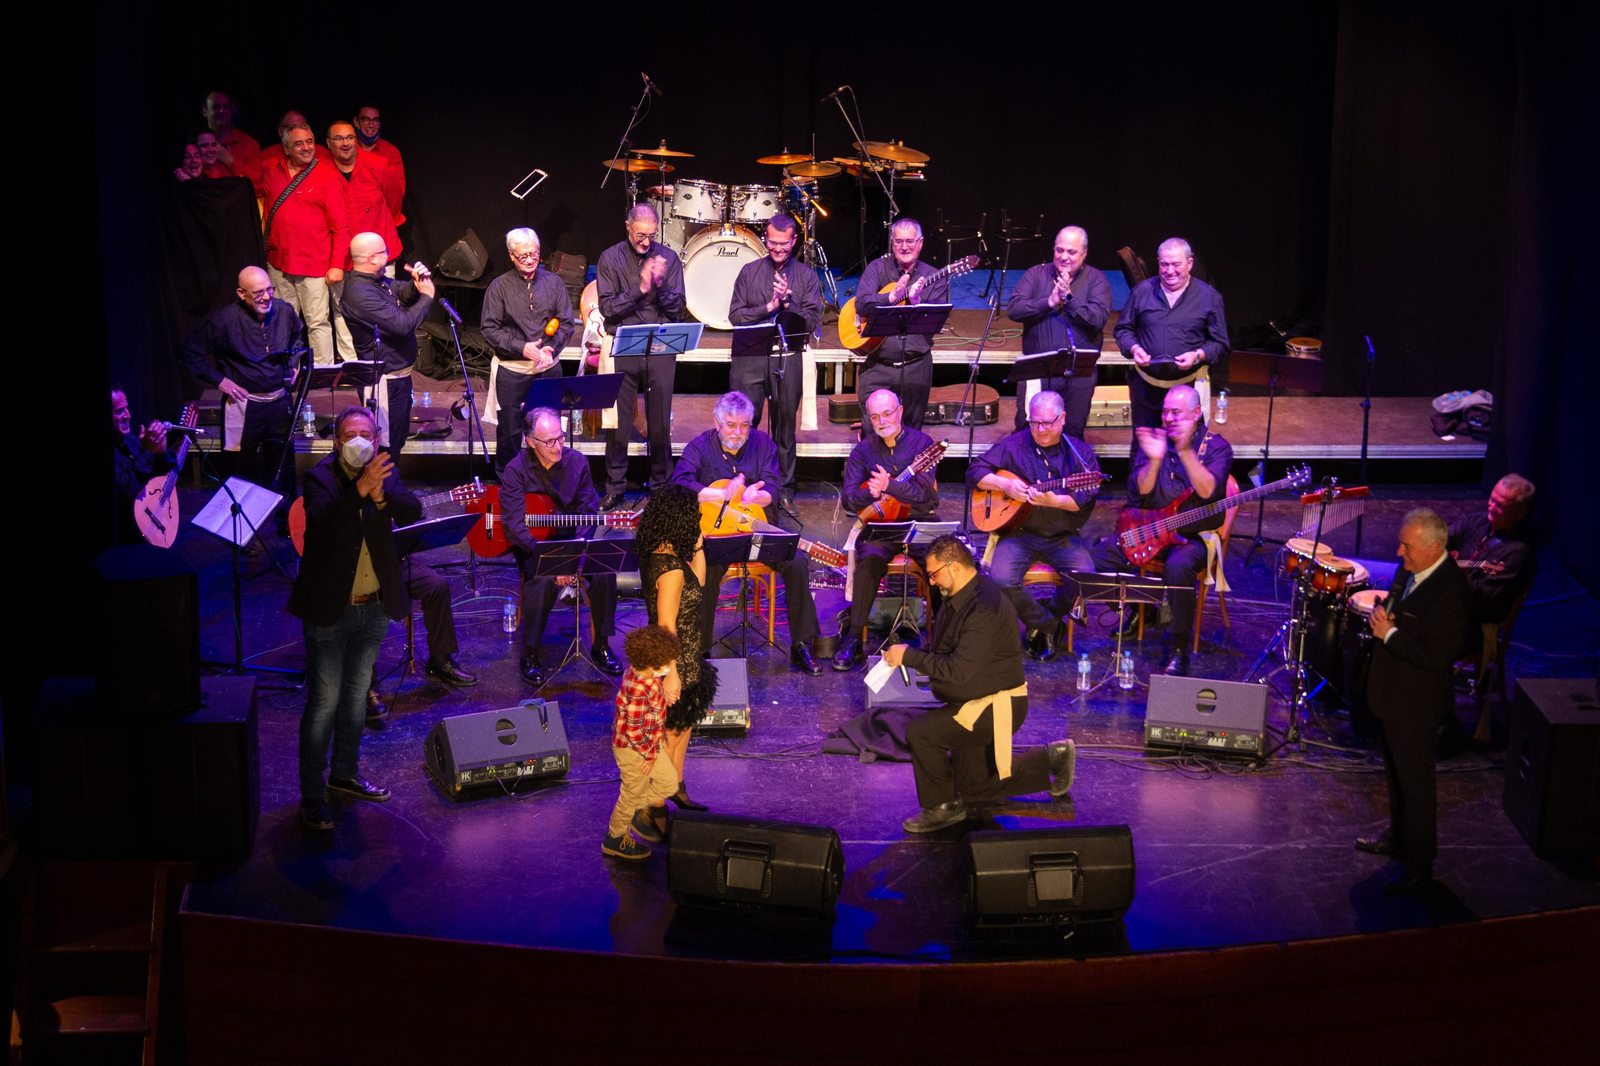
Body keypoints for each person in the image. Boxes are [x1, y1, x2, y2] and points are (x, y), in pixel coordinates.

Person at [884, 535, 1076, 833]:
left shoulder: (985, 607)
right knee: (974, 789)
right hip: (972, 698)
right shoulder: (959, 595)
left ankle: (942, 807)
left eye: (934, 574)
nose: (932, 582)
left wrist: (909, 656)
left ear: (955, 566)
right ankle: (1053, 758)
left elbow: (959, 670)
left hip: (994, 705)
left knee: (921, 732)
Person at [288, 406, 420, 830]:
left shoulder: (385, 472)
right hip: (331, 609)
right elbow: (324, 527)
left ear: (377, 438)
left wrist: (380, 493)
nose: (359, 441)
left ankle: (344, 775)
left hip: (374, 605)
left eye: (366, 433)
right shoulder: (320, 478)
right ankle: (311, 794)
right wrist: (360, 489)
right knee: (324, 703)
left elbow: (412, 510)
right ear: (337, 440)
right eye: (350, 434)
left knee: (355, 698)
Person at [1356, 509, 1472, 894]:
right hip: (1393, 695)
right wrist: (1385, 612)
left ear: (1435, 547)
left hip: (1416, 705)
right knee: (1396, 776)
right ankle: (1399, 837)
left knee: (1417, 786)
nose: (1399, 551)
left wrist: (1388, 634)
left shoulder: (1451, 592)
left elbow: (1435, 658)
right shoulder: (1410, 570)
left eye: (1407, 545)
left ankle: (1419, 864)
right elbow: (1396, 605)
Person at [671, 391, 823, 675]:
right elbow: (680, 484)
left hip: (757, 531)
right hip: (716, 537)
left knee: (797, 561)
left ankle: (801, 644)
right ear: (717, 423)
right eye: (731, 425)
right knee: (703, 569)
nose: (738, 432)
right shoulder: (699, 447)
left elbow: (774, 489)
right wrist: (718, 493)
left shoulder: (763, 444)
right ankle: (699, 648)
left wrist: (755, 498)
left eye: (744, 425)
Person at [1088, 384, 1232, 677]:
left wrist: (1185, 451)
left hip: (1189, 537)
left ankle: (1180, 651)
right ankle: (1140, 609)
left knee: (1177, 570)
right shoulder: (1156, 439)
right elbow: (1140, 490)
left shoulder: (1217, 447)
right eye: (1165, 412)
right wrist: (1154, 458)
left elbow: (1208, 491)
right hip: (1149, 528)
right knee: (1092, 560)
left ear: (1196, 413)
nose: (1168, 418)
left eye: (1176, 413)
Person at [968, 389, 1100, 662]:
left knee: (1086, 579)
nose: (1039, 429)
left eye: (1047, 423)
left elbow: (1082, 501)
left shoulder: (1080, 454)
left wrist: (1052, 501)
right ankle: (1049, 626)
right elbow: (974, 472)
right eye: (1034, 422)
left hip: (1062, 536)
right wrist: (1004, 484)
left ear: (1062, 419)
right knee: (1001, 578)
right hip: (1019, 533)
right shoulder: (1014, 444)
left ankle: (1041, 620)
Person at [180, 265, 304, 542]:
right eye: (258, 293)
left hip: (278, 403)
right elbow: (190, 351)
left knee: (284, 466)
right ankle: (241, 532)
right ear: (241, 293)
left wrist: (293, 363)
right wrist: (220, 381)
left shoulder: (284, 311)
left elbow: (298, 336)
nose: (266, 297)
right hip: (244, 406)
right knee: (240, 470)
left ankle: (289, 527)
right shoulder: (223, 321)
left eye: (269, 290)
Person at [502, 407, 622, 686]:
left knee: (605, 572)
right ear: (531, 442)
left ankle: (601, 645)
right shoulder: (514, 471)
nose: (558, 446)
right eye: (550, 441)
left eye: (560, 438)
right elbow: (515, 528)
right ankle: (530, 652)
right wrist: (553, 563)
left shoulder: (577, 463)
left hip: (573, 540)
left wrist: (575, 555)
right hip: (535, 545)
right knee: (541, 582)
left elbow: (588, 512)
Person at [834, 389, 940, 671]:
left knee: (941, 562)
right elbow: (848, 499)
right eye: (875, 416)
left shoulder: (923, 445)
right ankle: (854, 639)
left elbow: (926, 497)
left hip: (919, 521)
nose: (882, 421)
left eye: (887, 413)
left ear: (900, 412)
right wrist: (871, 492)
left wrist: (890, 486)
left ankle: (944, 636)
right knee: (869, 562)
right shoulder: (863, 451)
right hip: (882, 525)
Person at [727, 213, 823, 516]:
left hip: (787, 357)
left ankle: (783, 489)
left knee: (784, 428)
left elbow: (812, 320)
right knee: (744, 424)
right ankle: (740, 485)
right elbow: (735, 316)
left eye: (784, 244)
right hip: (751, 357)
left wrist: (788, 304)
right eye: (772, 242)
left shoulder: (806, 277)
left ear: (794, 241)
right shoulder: (749, 272)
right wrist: (769, 306)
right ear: (765, 238)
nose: (777, 249)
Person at [595, 204, 686, 510]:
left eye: (651, 235)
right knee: (619, 423)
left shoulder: (669, 258)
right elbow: (607, 309)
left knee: (659, 422)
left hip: (660, 347)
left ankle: (661, 486)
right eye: (640, 235)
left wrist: (659, 285)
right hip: (623, 346)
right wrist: (641, 288)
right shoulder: (610, 258)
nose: (646, 242)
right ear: (627, 226)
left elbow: (677, 310)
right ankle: (615, 487)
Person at [637, 484, 717, 812]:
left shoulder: (664, 554)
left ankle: (677, 786)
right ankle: (654, 806)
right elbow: (666, 626)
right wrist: (671, 675)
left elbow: (699, 583)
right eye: (694, 515)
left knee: (683, 726)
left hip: (688, 654)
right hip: (674, 659)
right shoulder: (668, 571)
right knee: (670, 734)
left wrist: (697, 545)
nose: (697, 518)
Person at [251, 122, 350, 367]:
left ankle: (322, 378)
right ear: (286, 148)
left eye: (309, 142)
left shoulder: (328, 176)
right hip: (279, 263)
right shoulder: (270, 170)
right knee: (281, 322)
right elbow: (243, 187)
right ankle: (287, 374)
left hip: (314, 265)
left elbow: (342, 227)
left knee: (317, 323)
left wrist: (337, 264)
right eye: (299, 144)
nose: (306, 148)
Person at [481, 227, 573, 477]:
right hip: (513, 371)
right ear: (511, 256)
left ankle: (549, 481)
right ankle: (509, 484)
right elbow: (489, 329)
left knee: (549, 431)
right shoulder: (499, 287)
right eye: (524, 256)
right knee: (510, 432)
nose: (531, 260)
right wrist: (523, 348)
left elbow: (566, 322)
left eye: (535, 254)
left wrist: (551, 349)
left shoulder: (553, 282)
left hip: (547, 369)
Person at [1006, 226, 1113, 437]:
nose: (1063, 257)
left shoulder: (1097, 280)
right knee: (1027, 432)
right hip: (1037, 373)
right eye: (1059, 250)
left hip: (1078, 375)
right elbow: (1014, 309)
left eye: (1071, 252)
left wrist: (1069, 299)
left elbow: (1097, 319)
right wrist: (1048, 302)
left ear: (1084, 254)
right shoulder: (1036, 274)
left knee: (1072, 432)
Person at [1113, 238, 1229, 430]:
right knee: (1144, 452)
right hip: (1145, 390)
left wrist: (1197, 355)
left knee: (1184, 451)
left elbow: (1220, 343)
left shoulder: (1209, 297)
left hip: (1188, 390)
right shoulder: (1142, 291)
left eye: (1176, 264)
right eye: (1164, 264)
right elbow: (1123, 329)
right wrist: (1134, 348)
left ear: (1189, 264)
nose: (1169, 270)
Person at [339, 232, 434, 460]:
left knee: (397, 440)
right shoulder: (360, 294)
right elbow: (401, 326)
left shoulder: (378, 280)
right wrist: (427, 296)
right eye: (385, 251)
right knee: (385, 448)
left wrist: (416, 284)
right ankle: (381, 493)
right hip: (383, 385)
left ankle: (391, 490)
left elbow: (400, 291)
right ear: (372, 258)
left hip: (399, 379)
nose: (390, 255)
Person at [852, 218, 950, 434]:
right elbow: (860, 303)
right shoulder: (877, 268)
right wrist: (890, 297)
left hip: (915, 367)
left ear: (921, 242)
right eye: (898, 242)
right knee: (872, 433)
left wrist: (916, 304)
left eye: (910, 241)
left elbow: (935, 320)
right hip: (877, 366)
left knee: (912, 433)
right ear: (892, 243)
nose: (904, 247)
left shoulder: (935, 277)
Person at [603, 624, 683, 861]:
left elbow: (649, 713)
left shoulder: (643, 674)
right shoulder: (638, 687)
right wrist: (648, 755)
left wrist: (664, 699)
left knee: (669, 783)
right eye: (666, 662)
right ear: (652, 662)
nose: (669, 667)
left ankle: (635, 810)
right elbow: (635, 731)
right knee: (631, 793)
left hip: (649, 744)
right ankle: (615, 839)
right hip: (633, 749)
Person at [326, 121, 401, 362]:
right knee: (343, 311)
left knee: (386, 307)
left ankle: (387, 363)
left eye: (349, 137)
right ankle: (352, 365)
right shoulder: (322, 171)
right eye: (339, 138)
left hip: (377, 251)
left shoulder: (378, 166)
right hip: (343, 255)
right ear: (329, 143)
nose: (345, 143)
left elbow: (395, 200)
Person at [1448, 474, 1538, 640]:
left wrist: (1449, 572)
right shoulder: (1476, 521)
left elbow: (1484, 599)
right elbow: (1442, 538)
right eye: (1492, 499)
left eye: (1500, 505)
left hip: (1471, 626)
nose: (1491, 507)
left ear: (1520, 513)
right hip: (1448, 605)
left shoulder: (1518, 554)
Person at [111, 388, 171, 547]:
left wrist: (160, 452)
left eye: (127, 409)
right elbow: (126, 490)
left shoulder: (130, 440)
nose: (128, 416)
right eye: (119, 411)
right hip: (123, 537)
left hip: (144, 525)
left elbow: (154, 479)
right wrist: (147, 451)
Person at [353, 106, 405, 226]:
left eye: (375, 120)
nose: (371, 125)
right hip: (355, 219)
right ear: (356, 122)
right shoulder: (348, 150)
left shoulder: (390, 152)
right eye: (366, 119)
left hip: (383, 219)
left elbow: (398, 191)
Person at [201, 91, 259, 174]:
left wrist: (229, 160)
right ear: (204, 112)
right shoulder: (196, 143)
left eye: (226, 107)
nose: (222, 110)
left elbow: (257, 182)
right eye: (216, 107)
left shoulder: (250, 144)